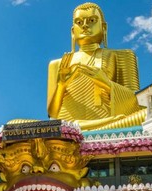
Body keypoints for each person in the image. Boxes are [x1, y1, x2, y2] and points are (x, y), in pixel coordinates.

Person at [47, 2, 145, 130]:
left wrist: (107, 84)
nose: (85, 25)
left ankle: (79, 128)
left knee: (147, 115)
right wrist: (61, 85)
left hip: (109, 123)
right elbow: (52, 113)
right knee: (15, 124)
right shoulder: (58, 64)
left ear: (104, 28)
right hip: (65, 125)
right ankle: (76, 128)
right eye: (79, 22)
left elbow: (136, 103)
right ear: (72, 31)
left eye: (92, 20)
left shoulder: (122, 56)